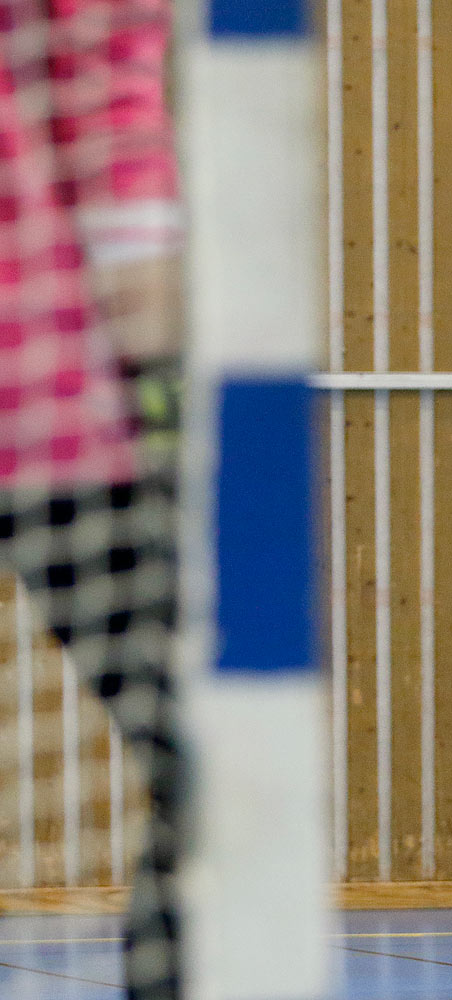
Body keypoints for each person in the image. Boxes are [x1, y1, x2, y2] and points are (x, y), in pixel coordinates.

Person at [0, 1, 186, 997]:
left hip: (47, 403)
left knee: (211, 758)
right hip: (48, 406)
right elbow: (112, 115)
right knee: (213, 758)